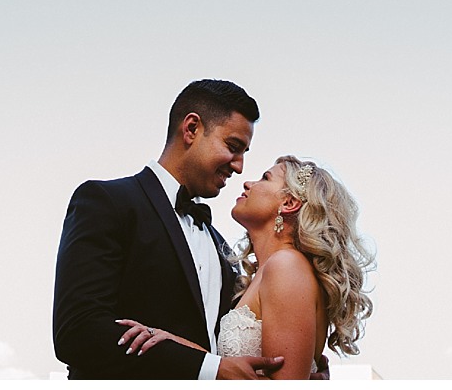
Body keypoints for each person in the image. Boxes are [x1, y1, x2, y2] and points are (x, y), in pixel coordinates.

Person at [53, 79, 283, 379]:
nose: (239, 166)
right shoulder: (107, 202)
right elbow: (78, 332)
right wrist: (209, 370)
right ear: (191, 129)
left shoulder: (220, 245)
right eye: (233, 146)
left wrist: (301, 370)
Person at [117, 155, 376, 379]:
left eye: (264, 178)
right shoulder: (267, 272)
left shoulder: (286, 266)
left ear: (289, 203)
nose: (248, 183)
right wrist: (172, 342)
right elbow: (236, 371)